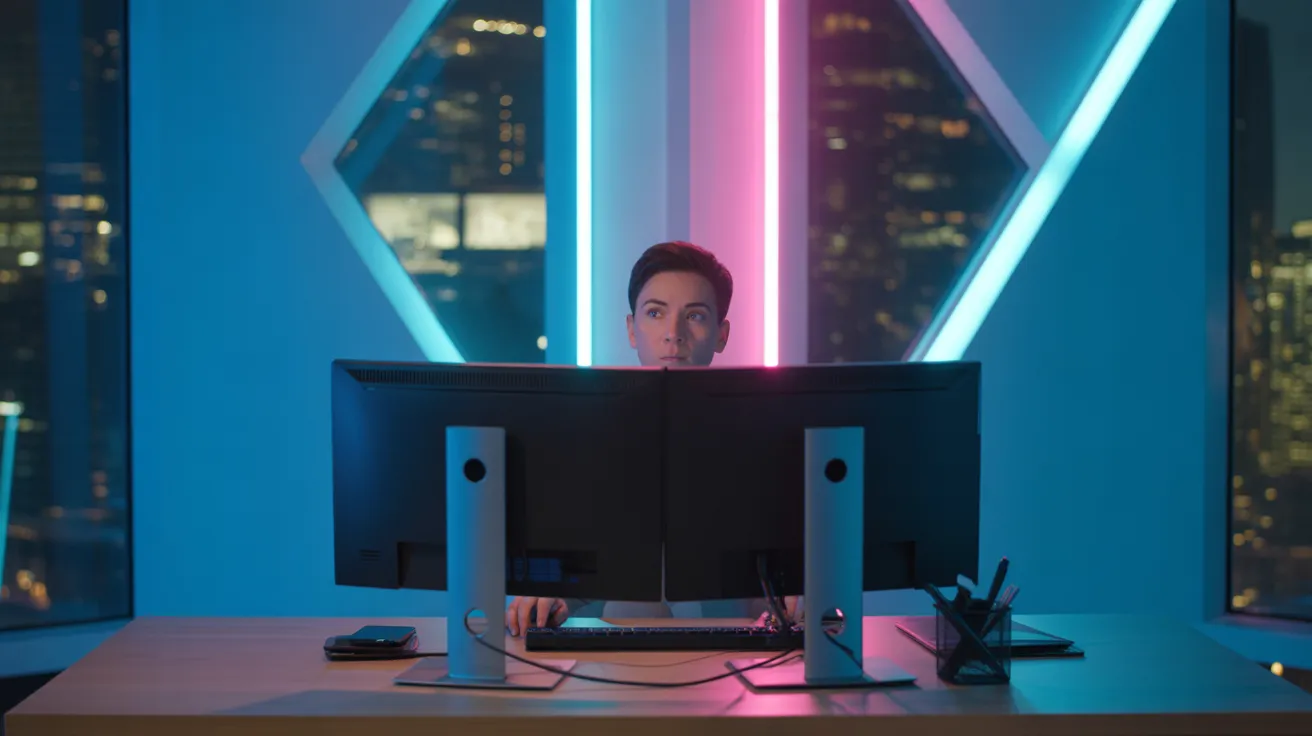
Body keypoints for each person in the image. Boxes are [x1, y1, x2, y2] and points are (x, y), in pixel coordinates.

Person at [506, 241, 801, 636]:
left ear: (721, 334)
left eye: (694, 316)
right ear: (632, 329)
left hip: (733, 655)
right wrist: (546, 591)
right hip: (623, 663)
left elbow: (780, 574)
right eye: (655, 313)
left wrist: (801, 587)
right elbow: (574, 565)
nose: (673, 335)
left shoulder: (767, 441)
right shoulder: (586, 439)